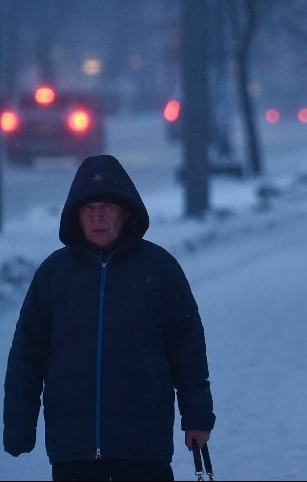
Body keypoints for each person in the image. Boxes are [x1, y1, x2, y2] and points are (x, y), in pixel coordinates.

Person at [2, 154, 215, 481]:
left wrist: (197, 417)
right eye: (89, 208)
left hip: (144, 450)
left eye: (107, 207)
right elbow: (26, 358)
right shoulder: (54, 276)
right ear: (76, 216)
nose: (97, 216)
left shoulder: (159, 270)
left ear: (126, 213)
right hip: (74, 451)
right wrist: (18, 425)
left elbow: (188, 351)